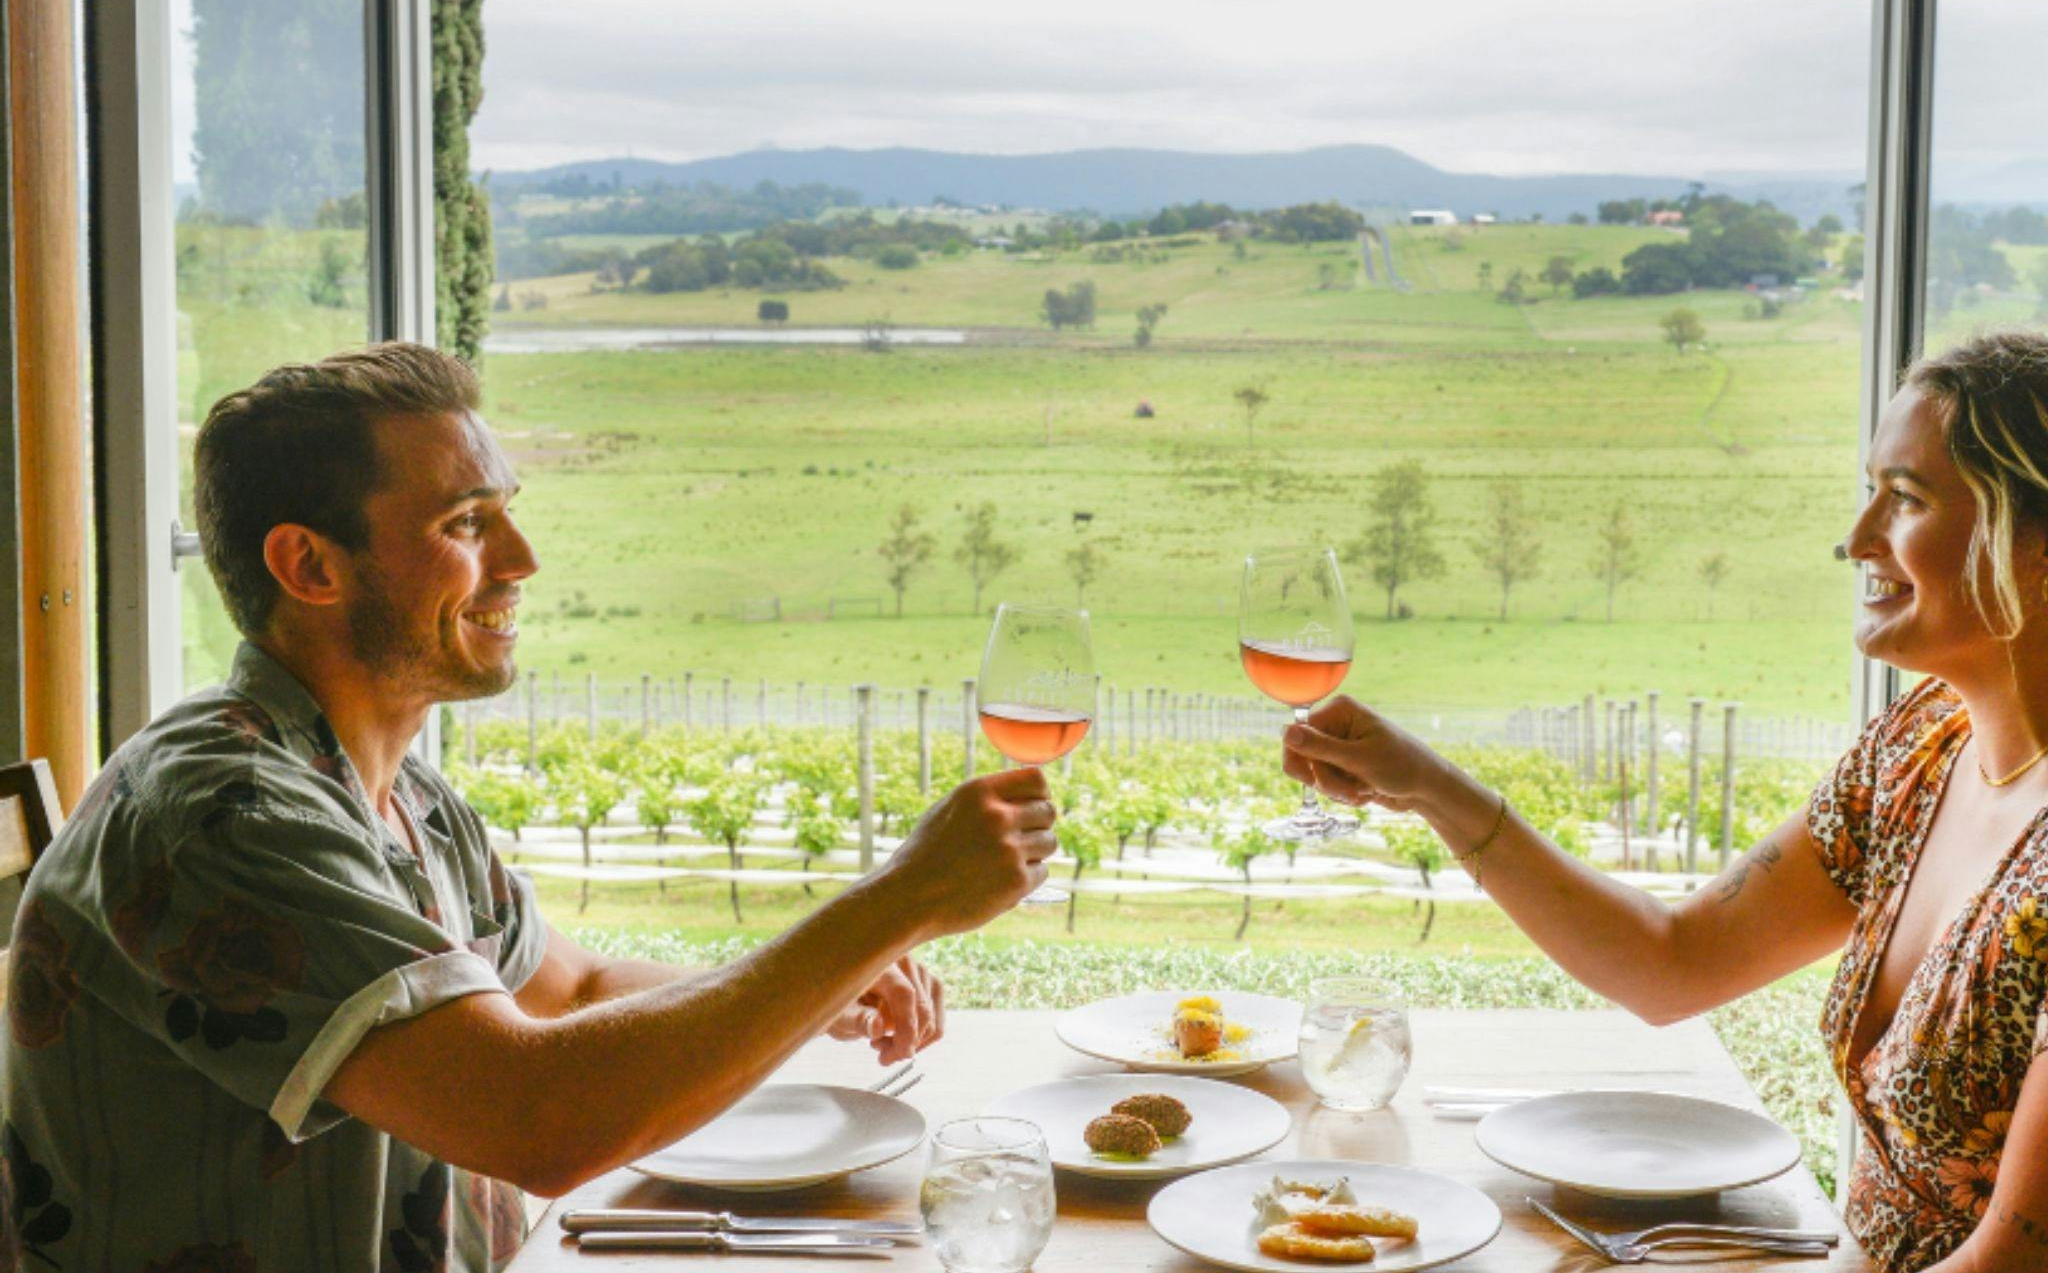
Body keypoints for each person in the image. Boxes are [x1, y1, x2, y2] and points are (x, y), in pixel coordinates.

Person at [0, 343, 1058, 1270]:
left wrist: (825, 984)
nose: (521, 563)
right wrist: (894, 904)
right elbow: (536, 1119)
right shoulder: (222, 815)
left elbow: (568, 988)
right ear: (308, 564)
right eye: (467, 524)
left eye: (508, 515)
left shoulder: (387, 784)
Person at [1283, 329, 2048, 1273]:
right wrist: (1431, 788)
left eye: (1907, 498)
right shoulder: (1916, 752)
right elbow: (1673, 963)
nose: (1856, 541)